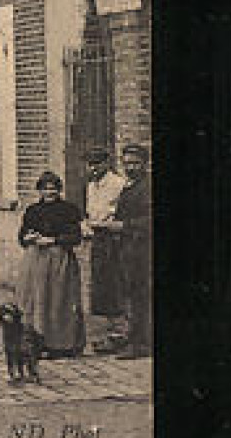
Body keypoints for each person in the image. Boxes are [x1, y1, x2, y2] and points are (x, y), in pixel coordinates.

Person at [16, 171, 86, 357]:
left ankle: (61, 344)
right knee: (36, 300)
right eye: (45, 188)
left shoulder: (68, 210)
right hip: (35, 261)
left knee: (58, 300)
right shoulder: (32, 211)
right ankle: (37, 343)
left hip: (59, 260)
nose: (50, 192)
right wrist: (28, 237)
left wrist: (54, 240)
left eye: (53, 188)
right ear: (39, 190)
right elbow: (22, 237)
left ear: (59, 190)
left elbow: (75, 237)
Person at [83, 147, 129, 341]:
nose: (93, 168)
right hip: (98, 238)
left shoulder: (119, 184)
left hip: (116, 238)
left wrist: (110, 224)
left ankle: (124, 329)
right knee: (102, 283)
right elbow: (91, 212)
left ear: (107, 163)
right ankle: (113, 329)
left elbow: (123, 213)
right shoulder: (91, 186)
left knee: (116, 281)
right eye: (90, 164)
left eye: (97, 163)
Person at [111, 144, 152, 359]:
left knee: (140, 295)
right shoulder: (130, 185)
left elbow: (150, 219)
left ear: (145, 163)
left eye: (135, 163)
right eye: (127, 163)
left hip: (143, 250)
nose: (130, 167)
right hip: (128, 248)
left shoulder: (147, 186)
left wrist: (124, 226)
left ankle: (141, 343)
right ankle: (133, 337)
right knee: (129, 294)